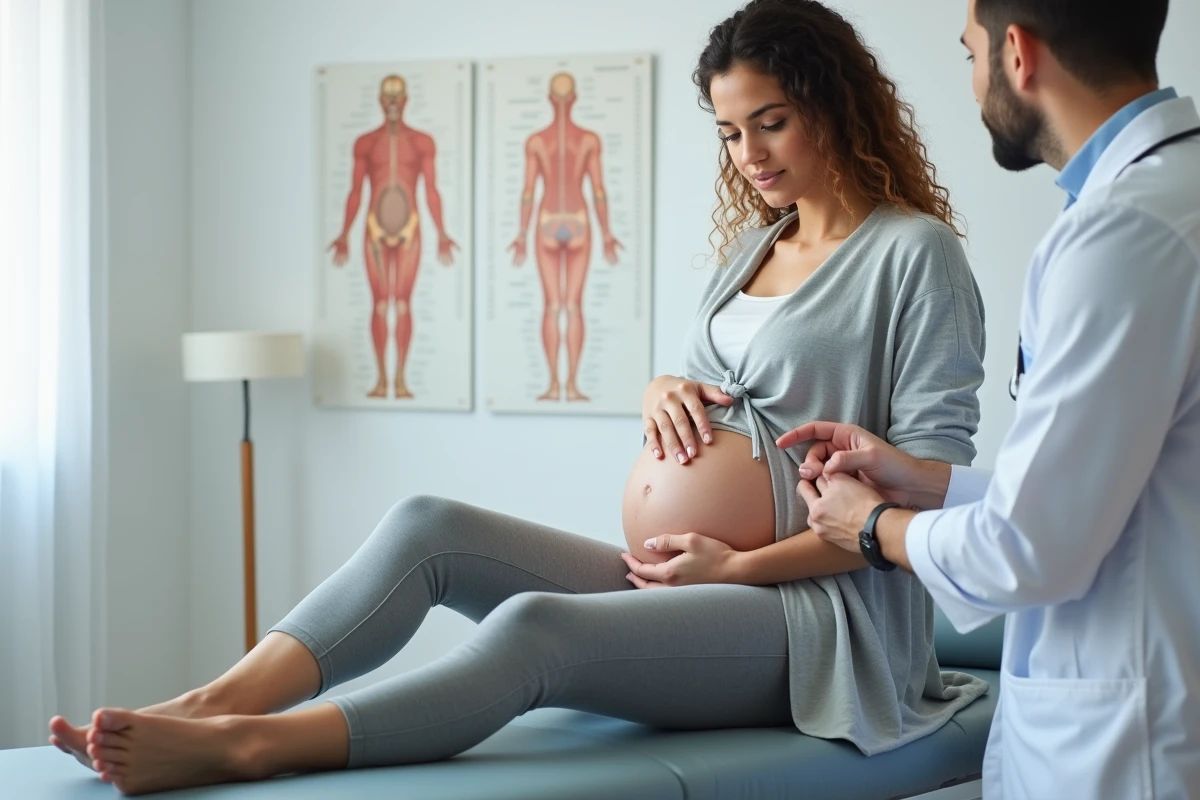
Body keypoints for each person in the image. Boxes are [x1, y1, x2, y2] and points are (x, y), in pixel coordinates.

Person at [48, 1, 990, 794]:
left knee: (535, 628)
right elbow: (726, 395)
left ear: (835, 103)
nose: (749, 153)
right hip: (684, 580)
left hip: (816, 620)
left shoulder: (915, 254)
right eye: (729, 131)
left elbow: (928, 485)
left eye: (771, 122)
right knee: (427, 526)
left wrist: (738, 568)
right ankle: (213, 701)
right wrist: (662, 387)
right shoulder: (756, 247)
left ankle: (249, 747)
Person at [781, 0, 1200, 796]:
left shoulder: (1123, 234)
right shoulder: (1170, 197)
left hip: (1131, 744)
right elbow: (1122, 485)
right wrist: (927, 482)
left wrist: (871, 527)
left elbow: (1029, 546)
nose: (973, 83)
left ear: (1018, 53)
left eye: (969, 54)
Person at [328, 74, 459, 400]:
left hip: (410, 229)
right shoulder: (365, 143)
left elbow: (431, 190)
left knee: (401, 304)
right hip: (374, 230)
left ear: (406, 99)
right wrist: (344, 232)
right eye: (387, 96)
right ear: (379, 100)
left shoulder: (422, 142)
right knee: (378, 305)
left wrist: (442, 232)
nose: (392, 103)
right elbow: (355, 191)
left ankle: (399, 380)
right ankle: (380, 380)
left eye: (397, 96)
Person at [508, 72, 622, 402]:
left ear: (549, 99)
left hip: (546, 220)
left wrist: (522, 233)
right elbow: (598, 190)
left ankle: (552, 386)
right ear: (574, 99)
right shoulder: (588, 140)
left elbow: (528, 192)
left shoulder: (536, 141)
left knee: (552, 306)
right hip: (578, 221)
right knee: (572, 306)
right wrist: (606, 232)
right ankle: (570, 386)